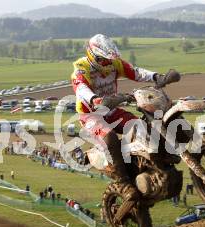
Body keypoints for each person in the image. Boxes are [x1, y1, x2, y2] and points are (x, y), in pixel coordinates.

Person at [71, 34, 179, 199]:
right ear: (93, 56)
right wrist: (95, 99)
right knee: (110, 137)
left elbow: (135, 72)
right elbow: (81, 88)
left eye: (109, 60)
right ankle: (123, 182)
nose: (108, 63)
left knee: (141, 126)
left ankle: (149, 165)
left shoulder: (114, 63)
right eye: (104, 60)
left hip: (112, 110)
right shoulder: (82, 68)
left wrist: (158, 76)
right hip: (91, 114)